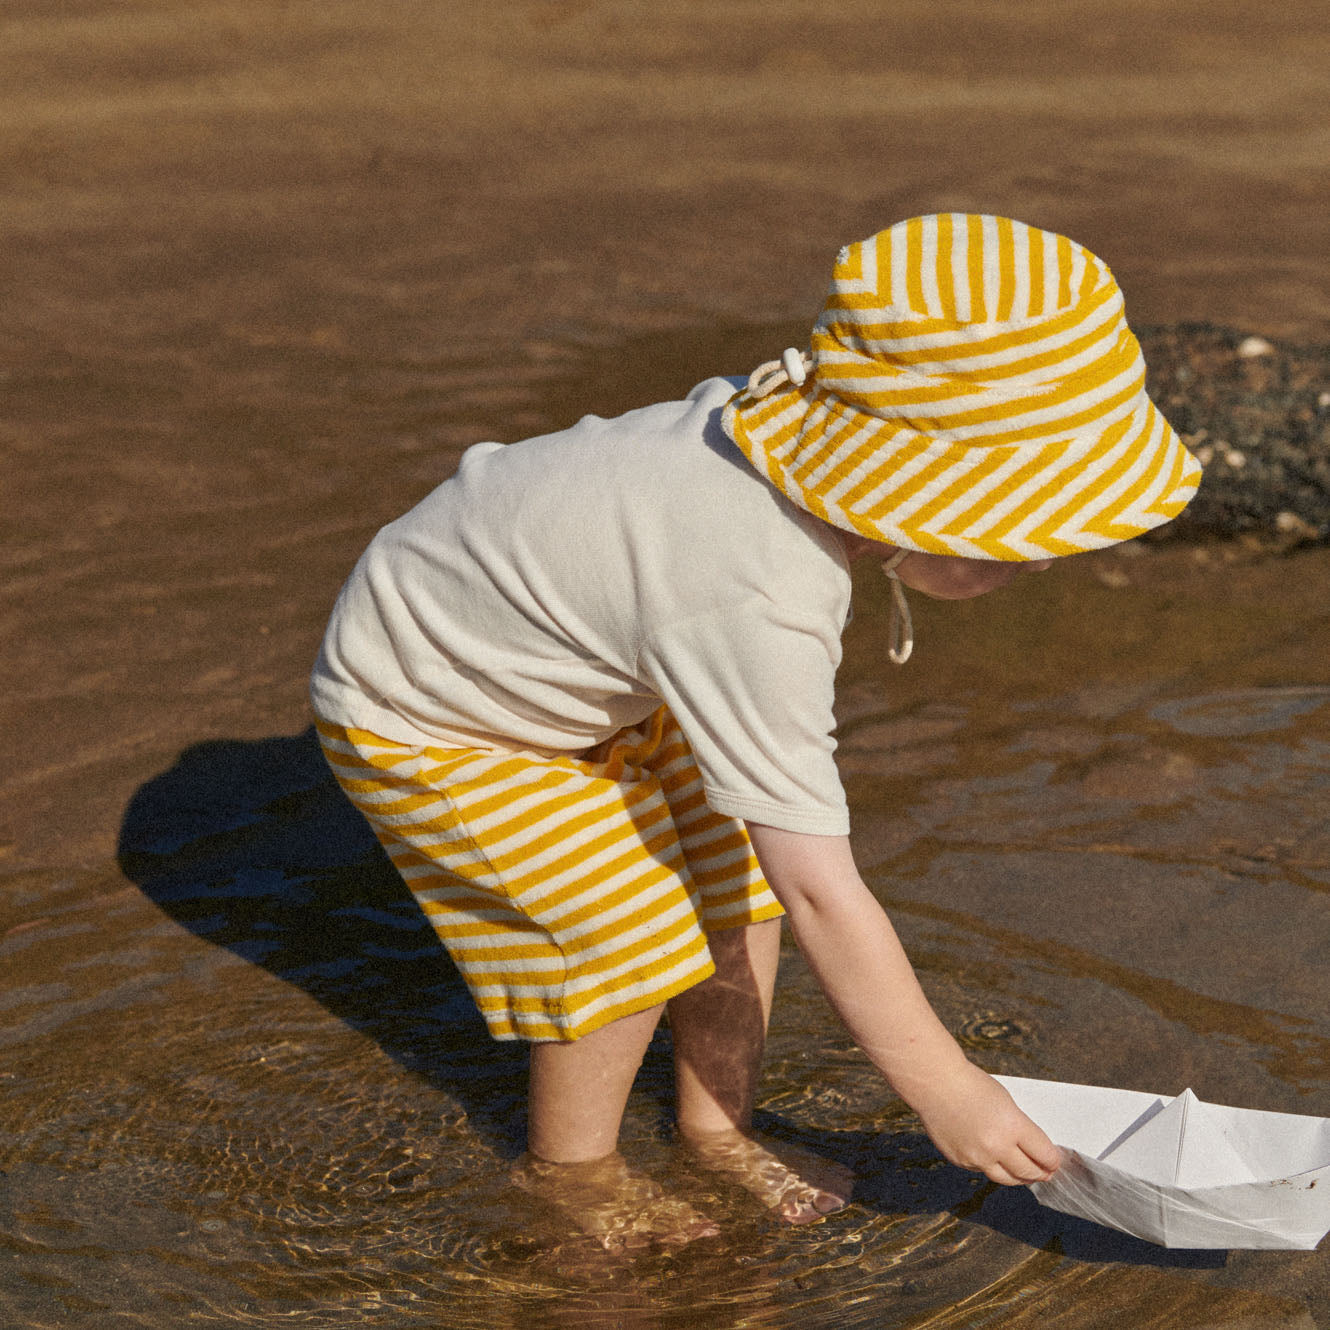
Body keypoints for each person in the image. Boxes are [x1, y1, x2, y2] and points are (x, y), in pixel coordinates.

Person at [310, 213, 1201, 1247]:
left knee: (736, 874)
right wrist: (946, 1087)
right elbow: (824, 887)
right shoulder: (756, 595)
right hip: (433, 709)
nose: (1041, 557)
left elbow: (781, 879)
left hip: (588, 670)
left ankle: (714, 1129)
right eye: (1021, 526)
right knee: (620, 934)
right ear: (907, 486)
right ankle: (569, 1174)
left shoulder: (781, 429)